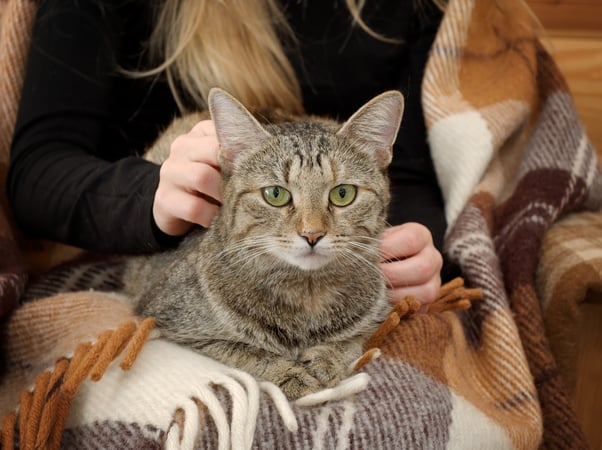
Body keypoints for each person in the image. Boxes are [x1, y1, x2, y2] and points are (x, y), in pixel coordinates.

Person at [7, 0, 444, 306]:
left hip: (351, 262)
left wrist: (416, 248)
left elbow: (412, 174)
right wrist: (148, 195)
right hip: (137, 244)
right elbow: (37, 170)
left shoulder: (416, 7)